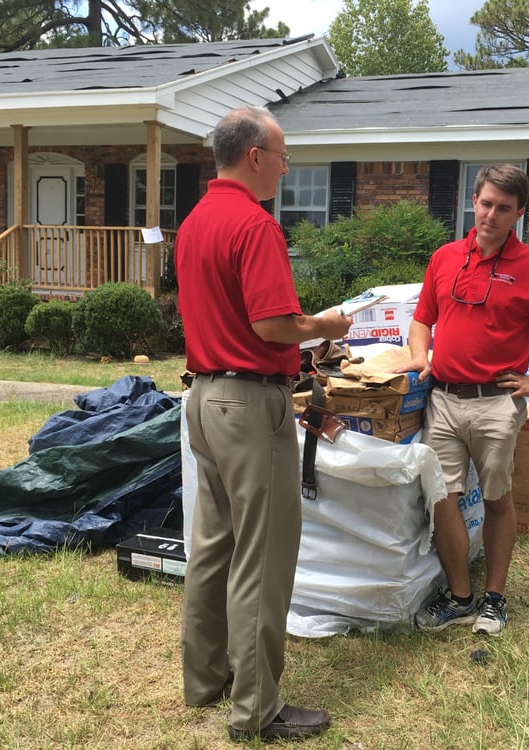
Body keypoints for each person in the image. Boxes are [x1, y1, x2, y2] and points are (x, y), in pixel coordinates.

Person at [175, 106, 352, 743]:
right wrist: (326, 328)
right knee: (264, 557)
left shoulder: (195, 222)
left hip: (202, 400)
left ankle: (205, 677)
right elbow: (273, 326)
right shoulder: (254, 224)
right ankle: (256, 711)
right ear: (255, 156)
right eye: (282, 156)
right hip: (250, 406)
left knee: (214, 545)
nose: (284, 166)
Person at [394, 164, 529, 636]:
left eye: (504, 208)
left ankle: (495, 599)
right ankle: (460, 596)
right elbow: (422, 320)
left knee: (499, 499)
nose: (491, 215)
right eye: (485, 203)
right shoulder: (444, 258)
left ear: (519, 213)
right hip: (441, 400)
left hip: (496, 404)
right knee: (443, 499)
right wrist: (421, 357)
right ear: (474, 201)